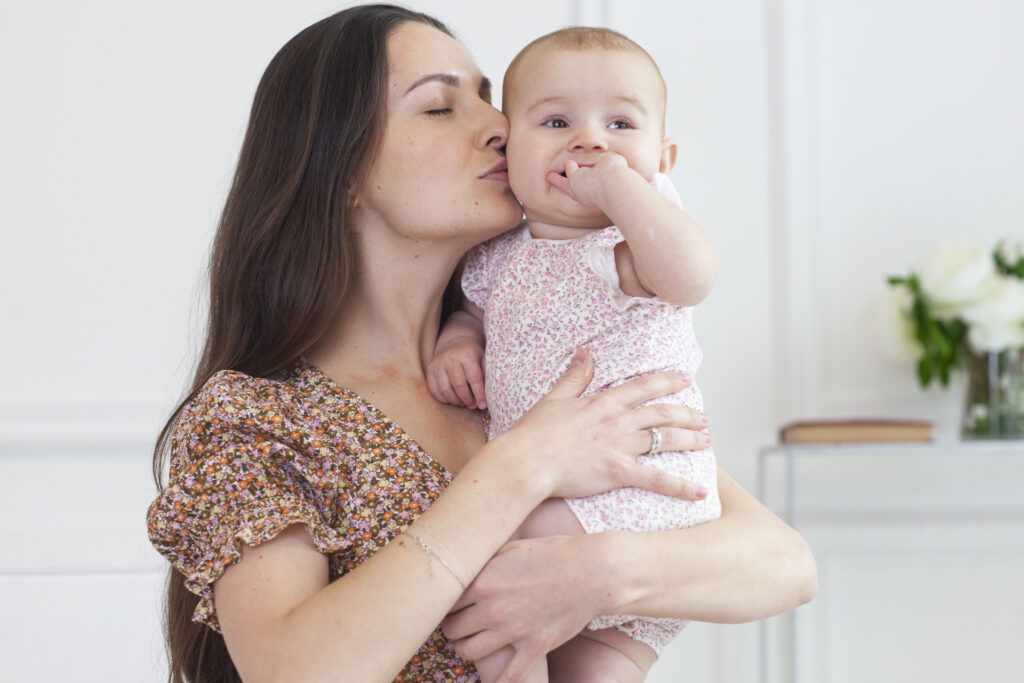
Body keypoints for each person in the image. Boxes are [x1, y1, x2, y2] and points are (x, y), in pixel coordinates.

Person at [146, 5, 817, 682]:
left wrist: (600, 572)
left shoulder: (539, 360)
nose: (499, 127)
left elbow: (784, 562)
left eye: (489, 99)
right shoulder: (259, 419)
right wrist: (523, 466)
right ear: (341, 170)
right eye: (440, 107)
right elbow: (295, 670)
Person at [426, 27, 722, 682]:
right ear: (513, 152)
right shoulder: (498, 259)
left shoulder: (629, 241)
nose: (590, 141)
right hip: (572, 490)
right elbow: (476, 314)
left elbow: (691, 276)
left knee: (493, 573)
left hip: (636, 498)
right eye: (557, 120)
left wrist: (621, 190)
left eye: (620, 123)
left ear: (663, 157)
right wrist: (459, 341)